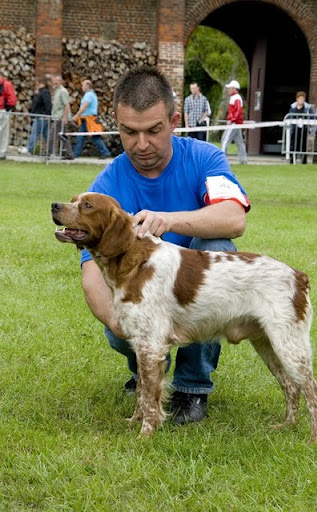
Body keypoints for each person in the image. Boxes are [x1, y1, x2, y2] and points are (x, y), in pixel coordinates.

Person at [80, 66, 251, 425]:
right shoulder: (108, 183)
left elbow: (234, 218)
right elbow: (92, 267)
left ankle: (192, 387)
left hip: (191, 295)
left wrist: (169, 219)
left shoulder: (205, 158)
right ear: (117, 124)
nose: (141, 144)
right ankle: (146, 373)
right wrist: (121, 323)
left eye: (154, 131)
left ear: (174, 121)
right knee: (119, 322)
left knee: (217, 244)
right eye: (130, 132)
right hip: (144, 300)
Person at [72, 80, 111, 159]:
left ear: (87, 86)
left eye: (83, 85)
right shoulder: (90, 94)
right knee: (81, 137)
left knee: (94, 137)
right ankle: (76, 153)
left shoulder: (89, 95)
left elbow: (85, 106)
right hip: (85, 119)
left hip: (89, 119)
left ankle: (105, 152)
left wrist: (76, 115)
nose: (82, 87)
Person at [221, 80, 248, 164]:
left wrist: (231, 120)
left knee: (225, 140)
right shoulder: (235, 97)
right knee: (240, 142)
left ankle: (222, 159)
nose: (228, 90)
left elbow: (238, 111)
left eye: (229, 88)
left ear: (233, 88)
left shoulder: (236, 98)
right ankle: (243, 161)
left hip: (234, 123)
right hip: (236, 123)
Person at [48, 74, 74, 160]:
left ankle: (48, 153)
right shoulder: (57, 91)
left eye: (57, 80)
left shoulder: (63, 91)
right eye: (54, 80)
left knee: (53, 135)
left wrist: (64, 117)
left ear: (60, 81)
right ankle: (69, 154)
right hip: (57, 117)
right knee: (64, 136)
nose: (55, 82)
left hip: (60, 118)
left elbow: (66, 105)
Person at [27, 76, 52, 155]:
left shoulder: (44, 92)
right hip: (43, 116)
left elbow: (47, 104)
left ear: (42, 84)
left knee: (35, 133)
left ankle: (30, 149)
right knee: (46, 135)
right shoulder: (41, 92)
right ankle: (52, 151)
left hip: (41, 116)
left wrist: (47, 114)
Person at [288, 91, 314, 164]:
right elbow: (289, 116)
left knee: (303, 145)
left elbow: (312, 116)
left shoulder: (308, 108)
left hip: (304, 129)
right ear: (297, 99)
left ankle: (303, 161)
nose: (302, 100)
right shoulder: (292, 107)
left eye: (303, 99)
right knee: (293, 144)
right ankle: (292, 160)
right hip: (294, 129)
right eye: (300, 99)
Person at [0, 71, 17, 160]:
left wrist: (7, 109)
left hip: (3, 110)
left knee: (3, 132)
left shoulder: (6, 85)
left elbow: (12, 98)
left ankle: (2, 152)